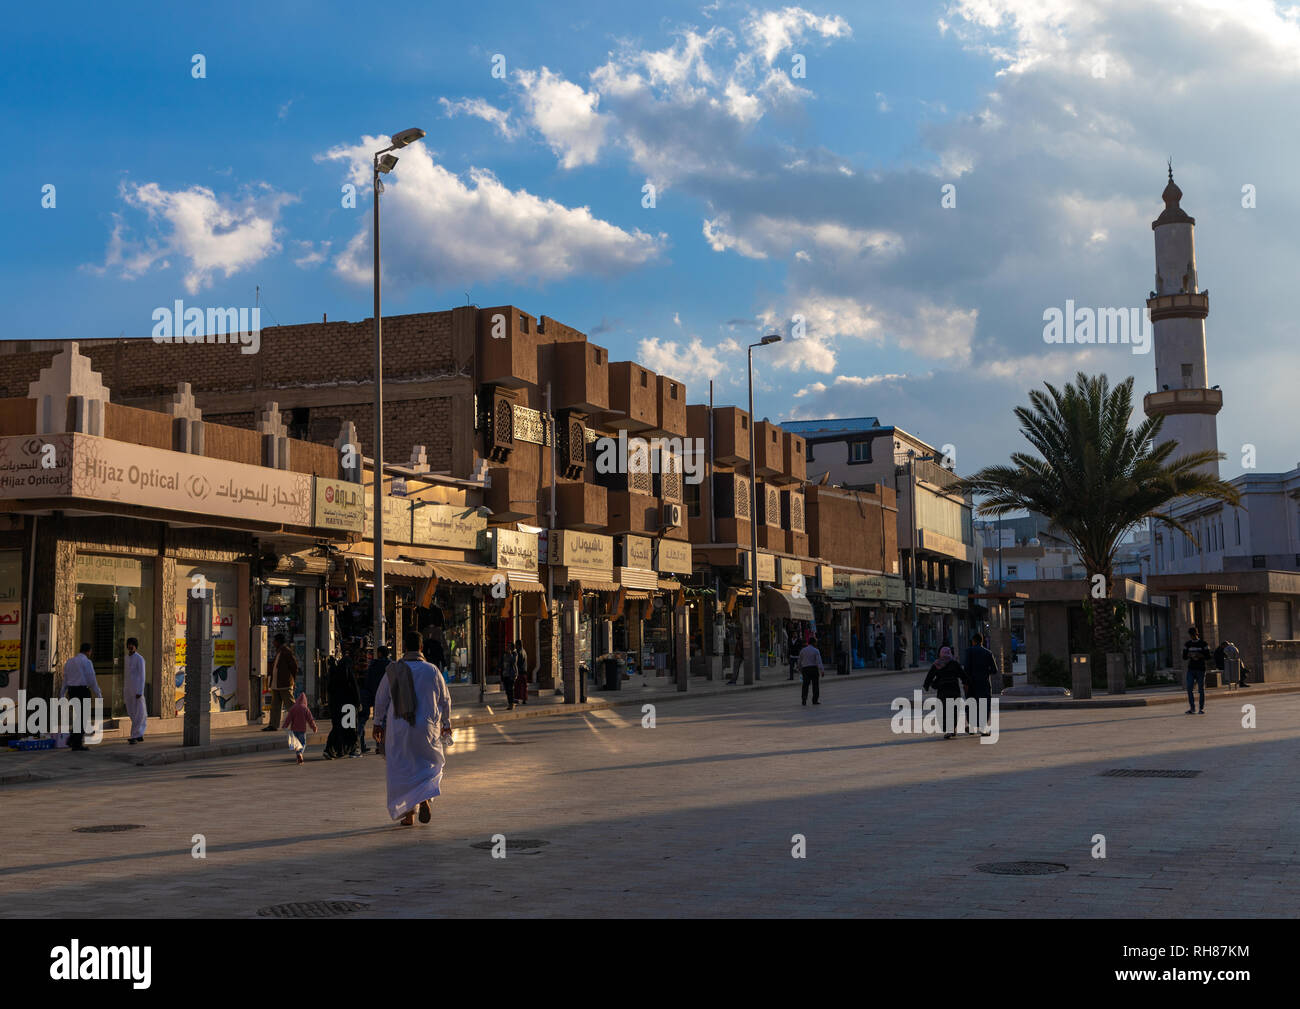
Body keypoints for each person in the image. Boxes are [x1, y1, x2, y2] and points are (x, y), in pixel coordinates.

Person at [372, 630, 453, 826]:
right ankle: (424, 799)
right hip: (426, 728)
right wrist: (447, 724)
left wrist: (377, 723)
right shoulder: (432, 670)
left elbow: (381, 698)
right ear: (421, 648)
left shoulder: (394, 670)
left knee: (403, 768)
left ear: (404, 648)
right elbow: (445, 700)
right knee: (426, 766)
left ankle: (409, 815)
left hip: (399, 727)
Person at [923, 645, 970, 739]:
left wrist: (927, 685)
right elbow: (963, 675)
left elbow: (930, 676)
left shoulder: (937, 664)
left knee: (943, 710)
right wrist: (966, 684)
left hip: (943, 691)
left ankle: (949, 730)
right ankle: (952, 729)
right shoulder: (954, 663)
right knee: (954, 711)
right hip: (954, 690)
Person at [61, 643, 101, 751]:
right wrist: (98, 693)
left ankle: (72, 739)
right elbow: (92, 679)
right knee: (83, 717)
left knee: (79, 716)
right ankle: (76, 742)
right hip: (82, 690)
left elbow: (65, 679)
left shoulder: (69, 662)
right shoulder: (87, 662)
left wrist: (62, 693)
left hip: (72, 691)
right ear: (88, 651)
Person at [323, 646, 361, 759]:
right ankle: (352, 749)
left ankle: (334, 750)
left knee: (338, 728)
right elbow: (355, 689)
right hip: (349, 706)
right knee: (350, 729)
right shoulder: (349, 674)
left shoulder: (334, 674)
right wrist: (358, 703)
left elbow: (330, 690)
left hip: (336, 706)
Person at [962, 633, 999, 737]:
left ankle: (972, 727)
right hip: (984, 683)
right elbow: (994, 670)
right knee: (984, 705)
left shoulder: (968, 651)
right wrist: (985, 671)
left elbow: (966, 668)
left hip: (971, 683)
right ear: (982, 641)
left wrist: (965, 683)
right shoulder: (988, 653)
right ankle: (983, 728)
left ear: (973, 641)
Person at [263, 633, 298, 732]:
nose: (273, 643)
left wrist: (292, 680)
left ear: (278, 642)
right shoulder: (279, 652)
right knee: (275, 707)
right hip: (276, 685)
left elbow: (294, 667)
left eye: (274, 641)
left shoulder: (286, 652)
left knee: (290, 705)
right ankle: (273, 725)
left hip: (284, 684)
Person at [280, 691, 317, 764]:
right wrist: (314, 727)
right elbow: (310, 719)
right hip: (302, 730)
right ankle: (300, 754)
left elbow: (288, 718)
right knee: (302, 743)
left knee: (296, 744)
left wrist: (285, 725)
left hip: (294, 730)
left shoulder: (293, 708)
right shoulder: (305, 709)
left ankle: (298, 755)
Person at [1182, 626, 1211, 714]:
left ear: (1197, 634)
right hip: (1191, 668)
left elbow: (1208, 656)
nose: (1192, 636)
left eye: (1194, 635)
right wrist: (1190, 655)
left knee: (1201, 689)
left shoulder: (1203, 643)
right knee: (1189, 688)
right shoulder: (1187, 644)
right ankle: (1192, 708)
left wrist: (1199, 655)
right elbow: (1184, 657)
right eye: (1191, 635)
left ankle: (1201, 708)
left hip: (1201, 669)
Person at [124, 637, 147, 744]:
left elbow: (142, 676)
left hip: (137, 690)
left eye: (132, 644)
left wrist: (140, 691)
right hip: (128, 690)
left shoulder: (140, 659)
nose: (130, 646)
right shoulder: (126, 658)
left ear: (135, 646)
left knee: (140, 713)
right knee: (132, 713)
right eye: (129, 644)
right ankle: (139, 734)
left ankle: (134, 736)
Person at [798, 636, 825, 705]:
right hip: (814, 669)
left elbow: (800, 660)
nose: (816, 643)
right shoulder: (816, 650)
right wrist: (822, 670)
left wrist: (800, 668)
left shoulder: (803, 650)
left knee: (805, 685)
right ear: (813, 643)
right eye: (816, 642)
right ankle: (815, 700)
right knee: (815, 685)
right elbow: (819, 661)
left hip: (805, 669)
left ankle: (804, 699)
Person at [513, 640, 529, 705]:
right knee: (524, 686)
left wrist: (515, 671)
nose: (515, 646)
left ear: (519, 645)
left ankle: (517, 699)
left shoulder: (519, 652)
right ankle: (524, 699)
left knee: (518, 686)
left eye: (516, 644)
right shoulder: (524, 651)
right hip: (524, 672)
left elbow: (518, 663)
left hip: (520, 672)